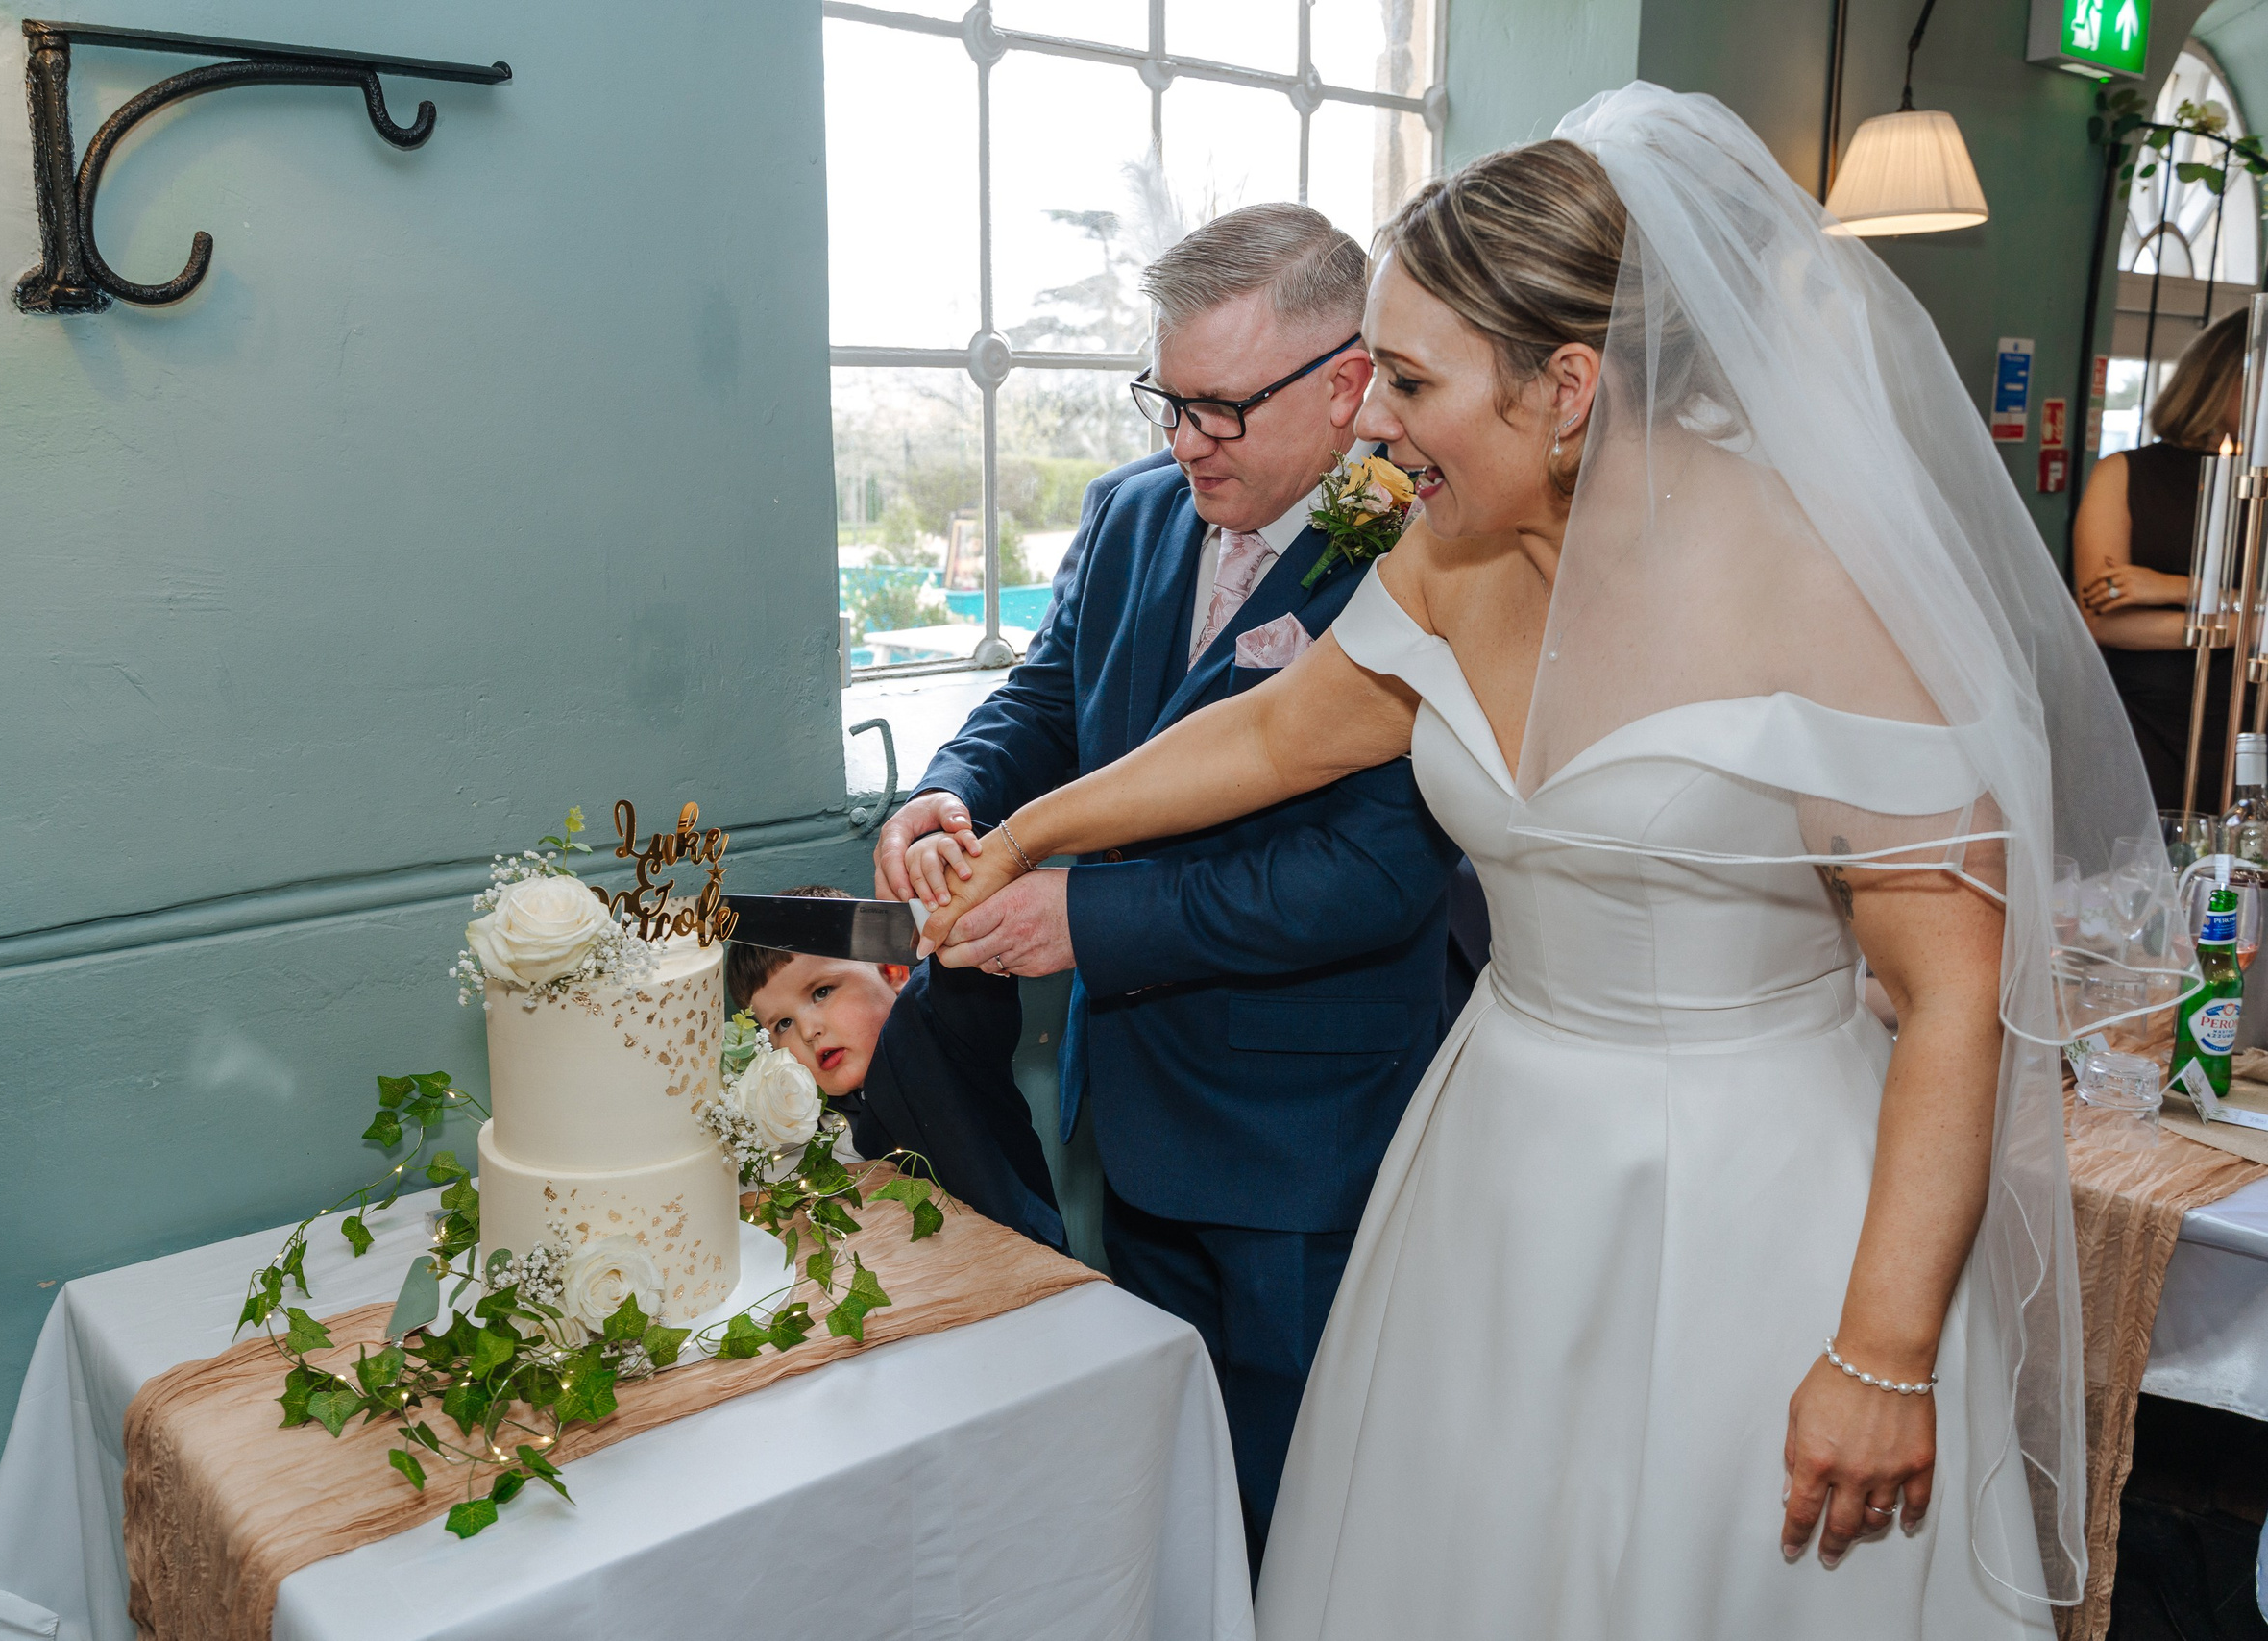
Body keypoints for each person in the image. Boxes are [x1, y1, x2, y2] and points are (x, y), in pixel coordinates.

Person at [919, 85, 2147, 1636]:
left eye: (1410, 380)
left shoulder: (1827, 589)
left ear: (1565, 386)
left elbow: (1955, 993)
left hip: (1751, 1194)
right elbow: (1277, 735)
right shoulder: (1447, 556)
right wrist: (1027, 829)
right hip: (1496, 1165)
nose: (1373, 421)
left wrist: (1885, 1350)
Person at [873, 204, 1476, 1568]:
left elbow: (1370, 873)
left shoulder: (1423, 556)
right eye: (1169, 400)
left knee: (1299, 1516)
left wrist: (1081, 918)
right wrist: (949, 790)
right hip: (1131, 1114)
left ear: (1347, 384)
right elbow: (1047, 700)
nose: (1187, 440)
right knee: (1173, 1498)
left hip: (1304, 1133)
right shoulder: (1132, 511)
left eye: (1223, 409)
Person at [727, 885, 1064, 1252]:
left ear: (891, 971)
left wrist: (937, 892)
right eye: (783, 1024)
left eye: (822, 991)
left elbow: (965, 949)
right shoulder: (803, 1114)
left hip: (1025, 1262)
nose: (808, 1031)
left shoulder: (935, 1024)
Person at [2075, 310, 2246, 811]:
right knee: (2145, 850)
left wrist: (2170, 588)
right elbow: (2103, 622)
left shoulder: (2256, 487)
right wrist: (2245, 621)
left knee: (2235, 856)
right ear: (2219, 380)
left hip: (2247, 721)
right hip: (2142, 723)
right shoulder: (2123, 474)